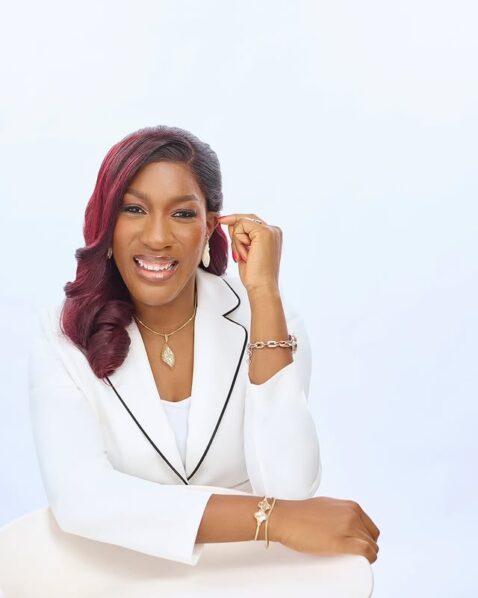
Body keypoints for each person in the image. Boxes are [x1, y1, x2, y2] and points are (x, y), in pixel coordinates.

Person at [28, 125, 380, 567]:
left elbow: (290, 488)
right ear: (106, 222)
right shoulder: (63, 330)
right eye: (134, 209)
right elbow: (81, 499)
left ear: (210, 226)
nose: (157, 237)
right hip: (122, 575)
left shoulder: (267, 316)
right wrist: (270, 520)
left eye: (182, 214)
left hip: (247, 572)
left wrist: (264, 293)